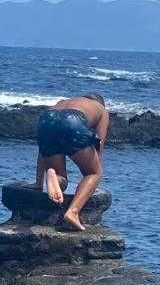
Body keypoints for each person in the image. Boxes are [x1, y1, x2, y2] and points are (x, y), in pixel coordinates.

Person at [35, 92, 110, 231]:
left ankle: (53, 175)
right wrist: (94, 180)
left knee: (61, 180)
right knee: (94, 174)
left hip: (46, 119)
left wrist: (38, 182)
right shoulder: (101, 109)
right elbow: (99, 144)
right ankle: (73, 212)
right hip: (73, 121)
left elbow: (41, 151)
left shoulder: (64, 102)